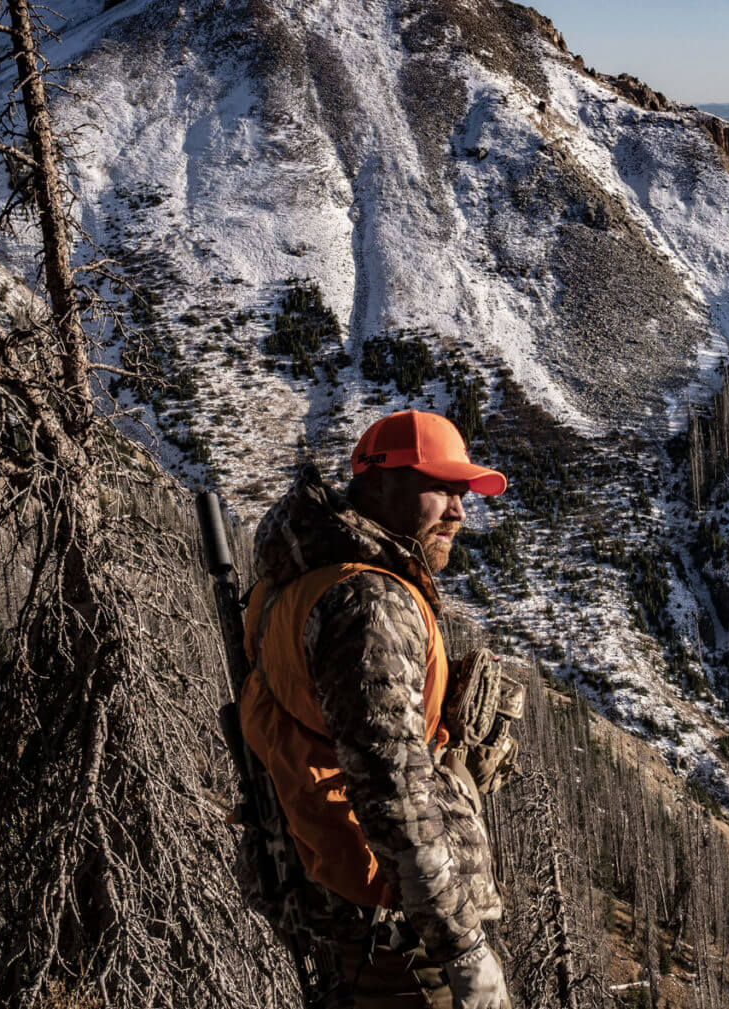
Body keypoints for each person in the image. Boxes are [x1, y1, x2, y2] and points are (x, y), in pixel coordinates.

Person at [240, 409, 513, 1009]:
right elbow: (394, 791)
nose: (460, 511)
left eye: (463, 491)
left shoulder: (304, 577)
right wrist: (462, 947)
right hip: (393, 924)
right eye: (441, 487)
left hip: (337, 896)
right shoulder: (370, 604)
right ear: (380, 483)